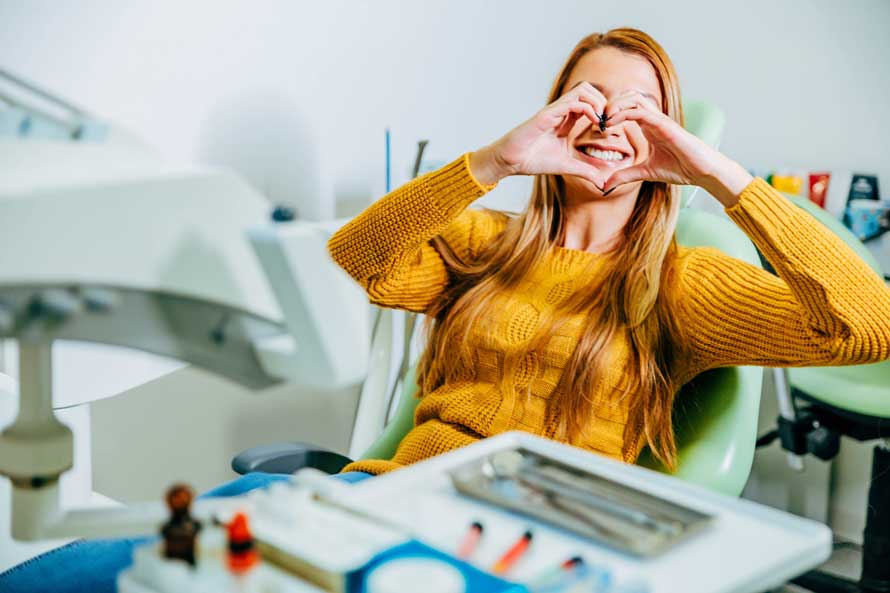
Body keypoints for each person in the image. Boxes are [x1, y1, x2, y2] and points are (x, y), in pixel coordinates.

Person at [3, 26, 889, 593]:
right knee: (80, 575)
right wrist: (497, 158)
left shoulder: (683, 284)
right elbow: (357, 256)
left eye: (644, 111)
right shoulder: (486, 239)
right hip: (366, 497)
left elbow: (865, 325)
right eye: (589, 102)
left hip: (511, 543)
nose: (614, 123)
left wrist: (712, 173)